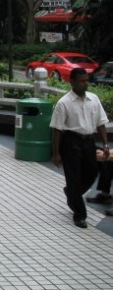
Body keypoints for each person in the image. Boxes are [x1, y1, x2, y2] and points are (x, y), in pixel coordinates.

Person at [51, 67, 109, 228]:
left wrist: (105, 144)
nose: (85, 84)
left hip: (89, 141)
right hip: (70, 142)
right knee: (74, 178)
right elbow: (57, 129)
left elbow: (101, 123)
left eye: (86, 80)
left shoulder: (94, 99)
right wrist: (56, 153)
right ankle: (79, 214)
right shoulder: (64, 103)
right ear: (72, 82)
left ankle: (71, 193)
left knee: (92, 172)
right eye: (82, 81)